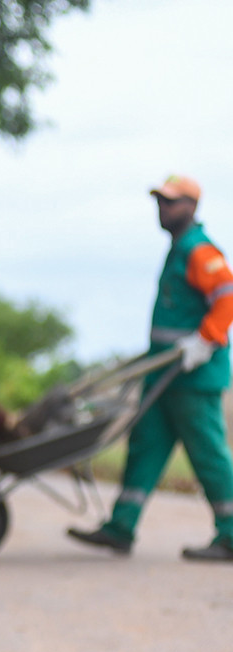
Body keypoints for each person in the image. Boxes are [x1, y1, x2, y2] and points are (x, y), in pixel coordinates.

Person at [68, 174, 233, 561]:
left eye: (171, 202)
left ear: (192, 207)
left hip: (193, 377)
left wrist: (205, 340)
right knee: (145, 446)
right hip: (164, 375)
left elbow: (227, 297)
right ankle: (121, 527)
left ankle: (231, 534)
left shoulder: (199, 250)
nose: (163, 208)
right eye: (160, 201)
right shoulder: (177, 249)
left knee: (208, 454)